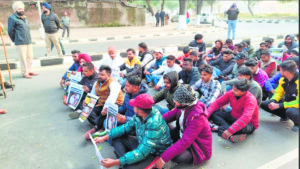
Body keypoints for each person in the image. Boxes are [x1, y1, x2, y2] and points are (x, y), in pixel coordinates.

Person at [93, 93, 172, 169]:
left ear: (140, 111)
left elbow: (142, 152)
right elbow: (125, 127)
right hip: (142, 142)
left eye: (134, 106)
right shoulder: (142, 114)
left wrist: (115, 162)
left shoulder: (154, 124)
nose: (132, 107)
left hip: (154, 152)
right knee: (114, 137)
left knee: (128, 167)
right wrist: (105, 137)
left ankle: (152, 161)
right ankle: (127, 160)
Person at [151, 84, 212, 168]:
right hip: (182, 133)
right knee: (162, 125)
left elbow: (185, 141)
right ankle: (171, 148)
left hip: (195, 147)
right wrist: (153, 124)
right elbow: (169, 116)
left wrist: (163, 158)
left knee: (176, 157)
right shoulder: (184, 105)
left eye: (177, 101)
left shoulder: (197, 117)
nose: (175, 102)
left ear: (185, 103)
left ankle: (173, 157)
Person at [208, 79, 259, 143]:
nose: (232, 91)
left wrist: (230, 131)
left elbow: (246, 118)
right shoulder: (231, 93)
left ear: (244, 92)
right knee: (214, 113)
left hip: (249, 124)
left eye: (236, 90)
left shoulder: (251, 100)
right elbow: (217, 103)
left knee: (235, 129)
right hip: (233, 116)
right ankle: (227, 131)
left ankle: (219, 128)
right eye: (233, 88)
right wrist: (206, 114)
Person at [84, 65, 124, 139]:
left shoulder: (114, 83)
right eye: (99, 74)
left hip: (115, 104)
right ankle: (102, 126)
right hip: (101, 103)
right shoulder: (97, 83)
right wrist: (87, 102)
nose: (99, 76)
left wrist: (104, 109)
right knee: (88, 111)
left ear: (108, 75)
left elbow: (112, 98)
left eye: (102, 75)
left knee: (106, 112)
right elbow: (92, 94)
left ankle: (97, 127)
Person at [261, 60, 299, 131]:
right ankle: (284, 116)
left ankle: (297, 123)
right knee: (264, 104)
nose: (279, 72)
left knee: (291, 111)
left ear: (287, 73)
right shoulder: (283, 79)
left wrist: (279, 105)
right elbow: (278, 92)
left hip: (296, 105)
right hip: (287, 102)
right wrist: (273, 101)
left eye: (280, 70)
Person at [8, 1, 38, 79]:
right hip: (20, 42)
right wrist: (15, 39)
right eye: (19, 9)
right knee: (23, 58)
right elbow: (10, 31)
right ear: (15, 10)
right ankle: (25, 72)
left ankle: (29, 70)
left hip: (28, 40)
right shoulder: (12, 18)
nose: (21, 10)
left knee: (30, 57)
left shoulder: (25, 17)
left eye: (22, 8)